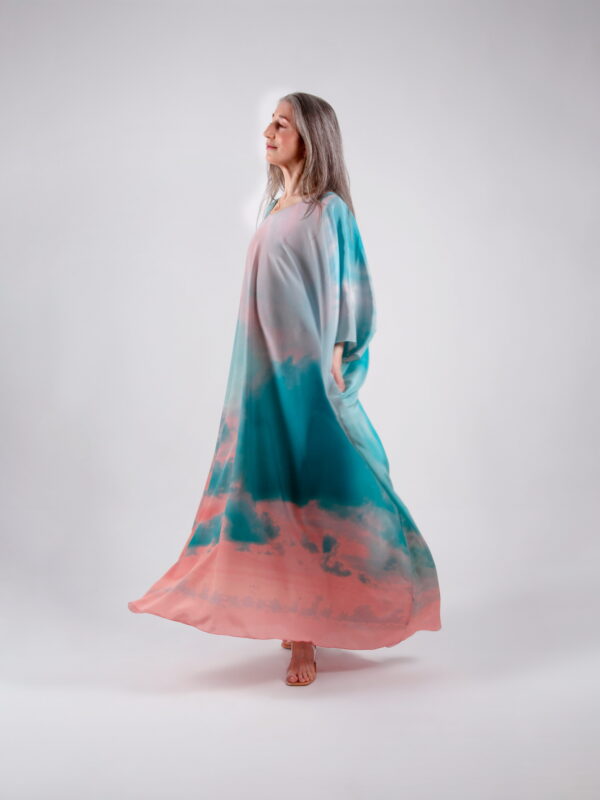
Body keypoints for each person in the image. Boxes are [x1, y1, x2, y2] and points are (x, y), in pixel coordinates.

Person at [128, 92, 442, 687]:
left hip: (307, 377)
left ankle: (307, 634)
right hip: (259, 377)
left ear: (311, 137)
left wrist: (337, 359)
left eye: (282, 123)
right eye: (269, 122)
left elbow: (351, 289)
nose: (268, 131)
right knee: (268, 493)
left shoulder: (328, 210)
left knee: (313, 489)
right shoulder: (274, 208)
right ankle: (292, 613)